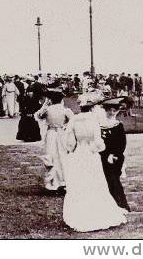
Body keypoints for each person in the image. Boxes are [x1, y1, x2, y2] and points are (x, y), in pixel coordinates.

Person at [62, 98, 127, 232]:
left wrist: (76, 147)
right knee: (95, 182)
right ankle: (96, 212)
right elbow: (99, 144)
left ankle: (80, 213)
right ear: (91, 108)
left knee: (81, 182)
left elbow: (70, 144)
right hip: (91, 154)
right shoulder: (94, 121)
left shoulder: (74, 120)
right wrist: (97, 148)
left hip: (79, 153)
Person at [35, 89, 74, 192]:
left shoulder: (47, 109)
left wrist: (45, 105)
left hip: (51, 133)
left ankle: (53, 182)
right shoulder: (65, 110)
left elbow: (38, 116)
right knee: (62, 156)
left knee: (51, 156)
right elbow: (73, 121)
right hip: (61, 133)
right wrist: (65, 126)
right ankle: (63, 181)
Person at [99, 97, 131, 211]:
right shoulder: (100, 125)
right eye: (109, 110)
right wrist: (104, 154)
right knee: (104, 180)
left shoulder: (118, 125)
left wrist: (114, 154)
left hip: (115, 157)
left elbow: (122, 144)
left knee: (114, 180)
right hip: (102, 156)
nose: (111, 113)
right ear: (105, 110)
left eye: (114, 110)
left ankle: (120, 204)